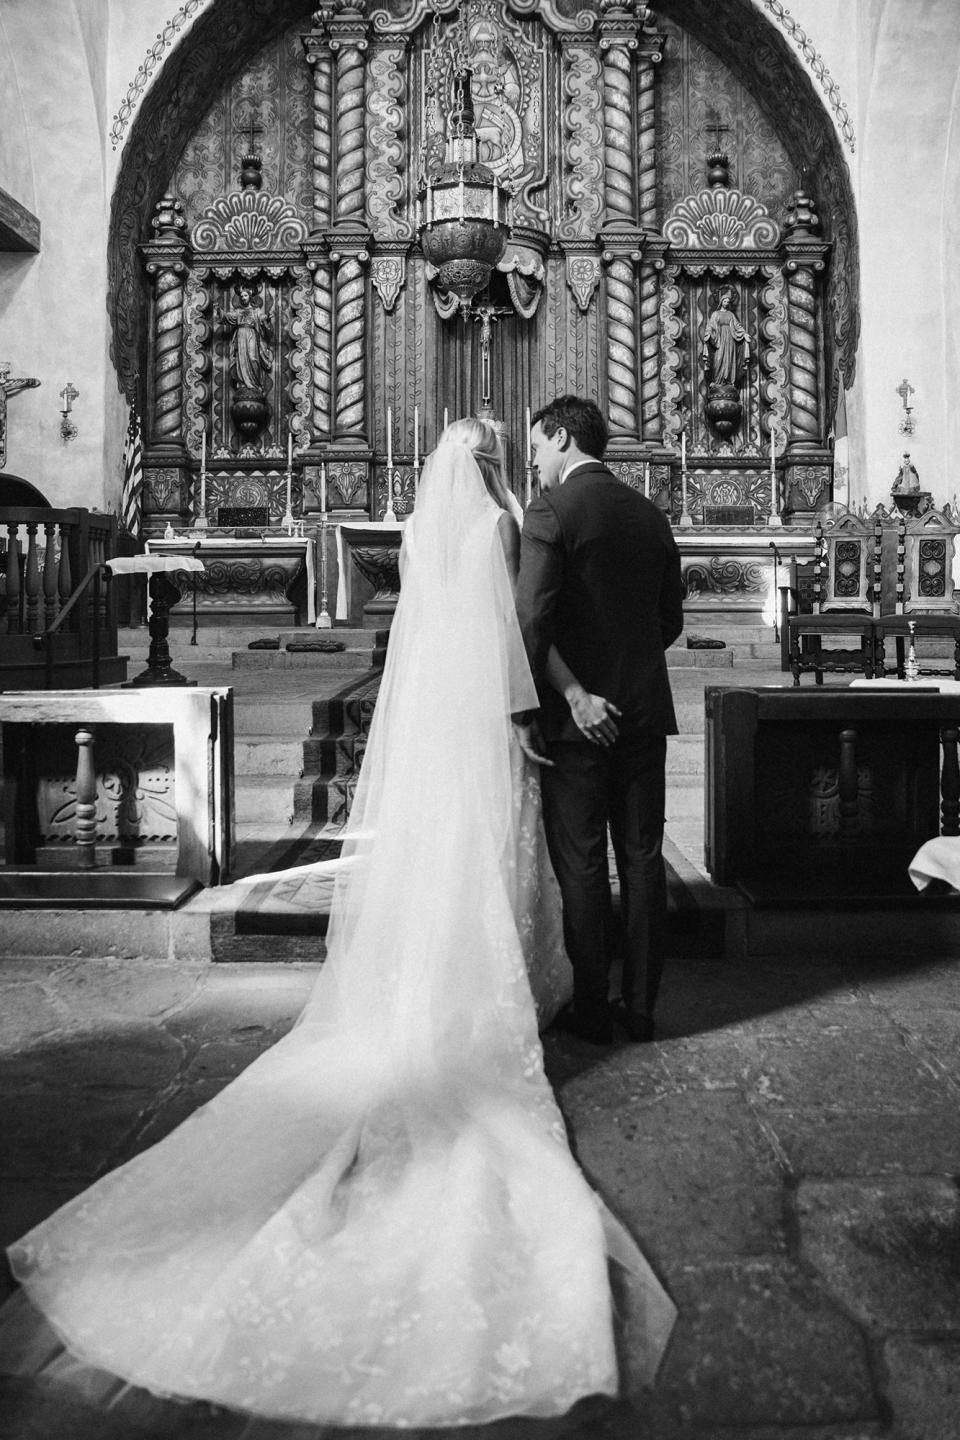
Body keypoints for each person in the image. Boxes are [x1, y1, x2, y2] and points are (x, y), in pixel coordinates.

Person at [3, 418, 674, 1428]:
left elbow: (504, 621)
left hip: (482, 727)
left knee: (544, 861)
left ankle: (521, 982)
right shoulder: (539, 513)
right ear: (497, 457)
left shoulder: (474, 521)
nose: (527, 458)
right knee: (599, 861)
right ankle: (615, 995)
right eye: (512, 449)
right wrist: (550, 698)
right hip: (590, 709)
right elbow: (574, 621)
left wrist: (549, 699)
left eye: (535, 445)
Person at [516, 396, 684, 1046]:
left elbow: (532, 619)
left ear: (560, 438)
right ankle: (640, 1010)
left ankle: (591, 1010)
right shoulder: (649, 515)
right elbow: (668, 619)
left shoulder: (551, 511)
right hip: (643, 713)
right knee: (642, 860)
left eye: (537, 448)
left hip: (573, 721)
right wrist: (627, 673)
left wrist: (537, 705)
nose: (534, 463)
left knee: (583, 865)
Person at [217, 283, 272, 392]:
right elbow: (227, 317)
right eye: (241, 296)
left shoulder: (256, 310)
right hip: (240, 336)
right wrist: (219, 310)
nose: (243, 297)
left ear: (250, 296)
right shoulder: (238, 312)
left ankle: (255, 384)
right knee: (241, 360)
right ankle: (243, 384)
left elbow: (261, 318)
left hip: (251, 334)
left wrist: (267, 317)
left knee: (253, 358)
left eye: (245, 295)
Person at [701, 286, 749, 387]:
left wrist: (744, 334)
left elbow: (737, 326)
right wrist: (708, 334)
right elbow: (710, 326)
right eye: (725, 301)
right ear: (721, 302)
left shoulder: (731, 314)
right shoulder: (715, 314)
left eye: (728, 302)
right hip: (719, 339)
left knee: (729, 360)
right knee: (718, 359)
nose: (726, 303)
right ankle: (717, 380)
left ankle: (729, 382)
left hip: (730, 339)